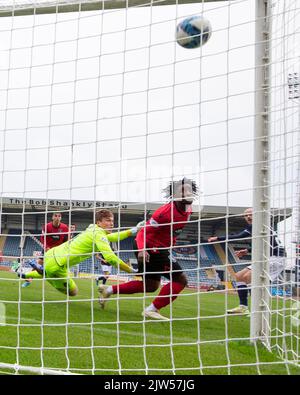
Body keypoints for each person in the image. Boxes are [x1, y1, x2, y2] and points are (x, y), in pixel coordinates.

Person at [98, 177, 198, 320]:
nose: (187, 193)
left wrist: (171, 242)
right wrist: (142, 249)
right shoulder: (164, 213)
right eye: (183, 190)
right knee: (180, 280)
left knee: (150, 285)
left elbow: (175, 230)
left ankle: (109, 290)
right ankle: (151, 310)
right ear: (175, 195)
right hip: (150, 247)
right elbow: (143, 231)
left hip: (160, 247)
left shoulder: (189, 209)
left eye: (189, 190)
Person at [16, 209, 142, 295]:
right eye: (108, 221)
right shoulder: (99, 235)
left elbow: (113, 237)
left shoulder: (92, 228)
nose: (111, 224)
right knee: (74, 292)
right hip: (58, 265)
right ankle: (41, 270)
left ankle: (27, 275)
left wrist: (133, 231)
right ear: (99, 222)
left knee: (48, 272)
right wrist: (131, 271)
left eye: (112, 221)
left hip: (53, 254)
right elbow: (111, 258)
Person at [208, 207, 286, 315]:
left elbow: (238, 236)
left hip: (276, 258)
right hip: (268, 257)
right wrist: (247, 250)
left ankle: (260, 310)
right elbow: (266, 245)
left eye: (251, 214)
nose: (248, 217)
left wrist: (217, 238)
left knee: (250, 278)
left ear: (257, 215)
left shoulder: (258, 225)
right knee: (239, 276)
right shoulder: (260, 227)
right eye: (246, 215)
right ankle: (243, 307)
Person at [21, 212, 69, 288]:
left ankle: (63, 283)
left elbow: (66, 239)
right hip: (48, 248)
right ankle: (28, 280)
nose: (57, 217)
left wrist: (64, 248)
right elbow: (43, 238)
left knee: (61, 266)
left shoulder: (65, 227)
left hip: (58, 250)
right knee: (39, 263)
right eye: (55, 216)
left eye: (59, 216)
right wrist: (46, 247)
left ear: (61, 218)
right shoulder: (47, 226)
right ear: (52, 217)